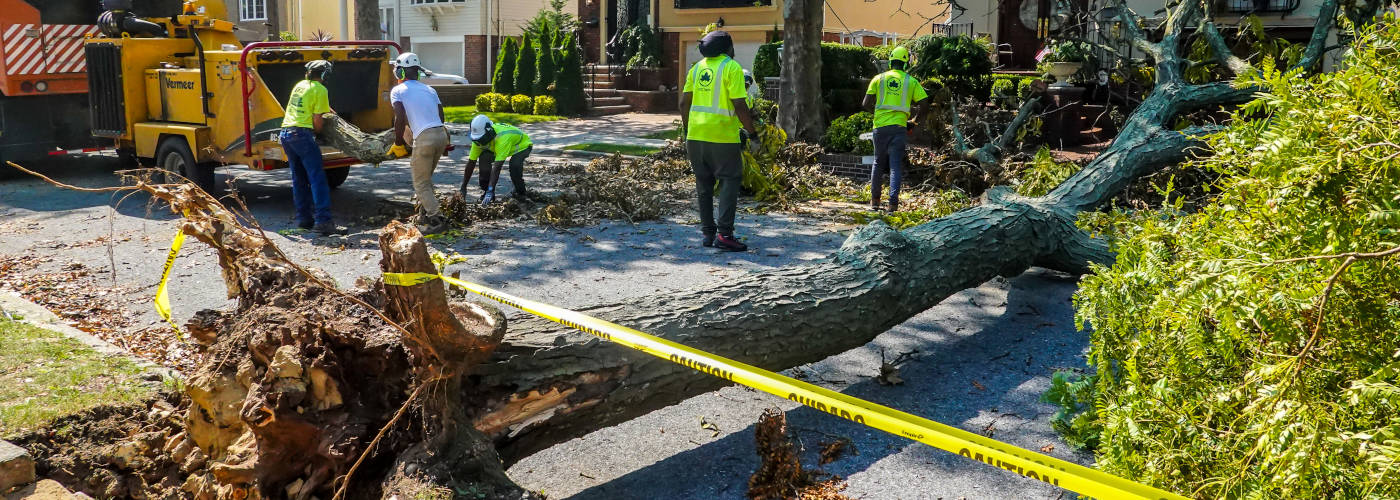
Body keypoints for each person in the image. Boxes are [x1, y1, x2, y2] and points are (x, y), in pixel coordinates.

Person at [679, 30, 758, 252]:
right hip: (722, 137)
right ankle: (725, 235)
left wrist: (687, 132)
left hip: (695, 137)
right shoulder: (731, 67)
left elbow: (684, 104)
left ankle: (707, 233)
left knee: (703, 184)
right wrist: (752, 134)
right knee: (729, 180)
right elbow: (740, 105)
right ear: (727, 48)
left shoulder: (697, 68)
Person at [280, 60, 346, 236]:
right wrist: (321, 132)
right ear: (324, 75)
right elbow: (317, 121)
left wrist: (330, 112)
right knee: (317, 178)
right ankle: (324, 222)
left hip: (286, 133)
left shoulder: (300, 85)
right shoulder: (321, 89)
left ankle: (304, 220)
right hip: (302, 135)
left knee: (299, 179)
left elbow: (312, 105)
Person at [386, 52, 450, 235]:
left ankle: (437, 219)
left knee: (420, 183)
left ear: (401, 73)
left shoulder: (398, 91)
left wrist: (399, 143)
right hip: (441, 134)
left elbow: (399, 119)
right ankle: (424, 215)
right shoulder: (430, 90)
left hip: (426, 139)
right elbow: (441, 117)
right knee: (426, 179)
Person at [861, 46, 929, 213]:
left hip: (880, 127)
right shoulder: (911, 81)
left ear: (891, 61)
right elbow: (925, 105)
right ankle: (892, 205)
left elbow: (865, 104)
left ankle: (875, 202)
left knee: (878, 163)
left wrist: (877, 115)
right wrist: (913, 122)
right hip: (899, 128)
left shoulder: (878, 78)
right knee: (895, 166)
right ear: (906, 64)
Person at [464, 115, 534, 205]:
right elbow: (471, 162)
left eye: (481, 138)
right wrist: (463, 187)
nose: (479, 142)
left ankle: (521, 193)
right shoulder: (478, 141)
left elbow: (496, 168)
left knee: (515, 165)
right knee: (484, 160)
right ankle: (488, 193)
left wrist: (491, 189)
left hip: (522, 146)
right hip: (496, 148)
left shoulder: (502, 137)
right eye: (477, 139)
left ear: (489, 132)